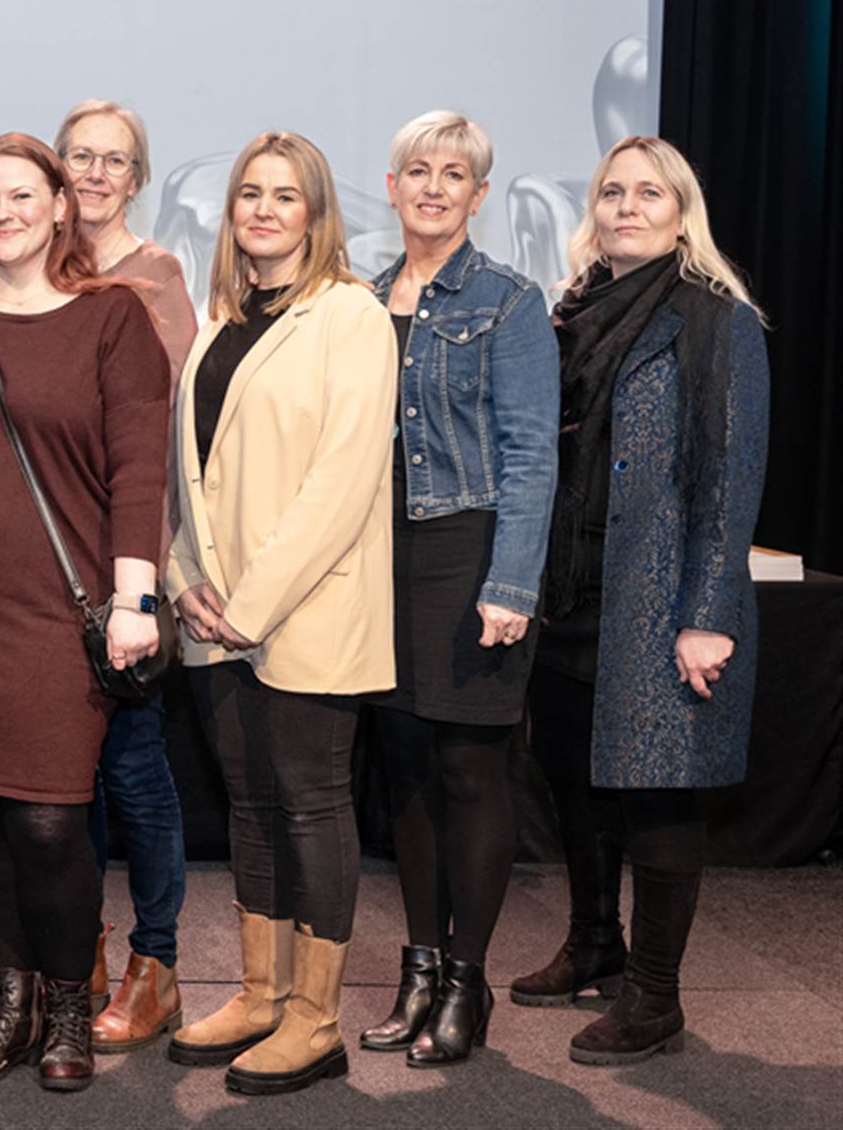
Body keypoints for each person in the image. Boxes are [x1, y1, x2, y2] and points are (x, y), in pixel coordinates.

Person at [0, 133, 170, 1095]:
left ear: (60, 206)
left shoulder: (113, 318)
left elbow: (140, 469)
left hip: (59, 616)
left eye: (21, 195)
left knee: (51, 823)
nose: (1, 214)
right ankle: (8, 1004)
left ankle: (66, 1007)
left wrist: (136, 597)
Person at [512, 135, 768, 1065]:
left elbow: (731, 480)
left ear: (681, 211)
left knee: (660, 797)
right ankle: (594, 944)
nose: (627, 206)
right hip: (572, 592)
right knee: (577, 784)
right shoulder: (569, 314)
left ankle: (656, 998)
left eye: (649, 193)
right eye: (613, 191)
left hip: (661, 604)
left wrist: (707, 616)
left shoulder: (716, 321)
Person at [164, 131, 397, 1096]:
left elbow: (342, 481)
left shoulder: (352, 316)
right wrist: (183, 579)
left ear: (316, 214)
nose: (263, 209)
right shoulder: (221, 319)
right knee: (251, 803)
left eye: (285, 195)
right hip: (214, 613)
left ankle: (316, 1018)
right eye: (250, 193)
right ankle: (262, 993)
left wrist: (250, 606)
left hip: (304, 611)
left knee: (310, 802)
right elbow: (192, 471)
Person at [357, 111, 560, 1065]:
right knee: (405, 771)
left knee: (470, 771)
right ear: (392, 187)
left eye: (453, 175)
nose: (432, 188)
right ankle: (420, 970)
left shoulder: (509, 301)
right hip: (377, 560)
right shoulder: (358, 300)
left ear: (478, 196)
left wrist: (511, 582)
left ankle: (466, 984)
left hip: (471, 554)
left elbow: (530, 455)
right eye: (418, 171)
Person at [53, 99, 197, 1051]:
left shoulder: (158, 278)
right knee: (64, 780)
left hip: (127, 569)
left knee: (134, 773)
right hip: (48, 567)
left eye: (115, 160)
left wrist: (151, 577)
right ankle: (81, 957)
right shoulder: (29, 267)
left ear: (138, 179)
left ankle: (157, 966)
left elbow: (163, 439)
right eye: (80, 156)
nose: (96, 174)